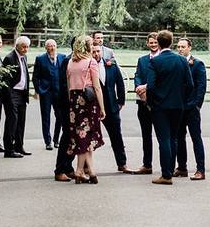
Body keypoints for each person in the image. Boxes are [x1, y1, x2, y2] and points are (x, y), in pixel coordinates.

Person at [141, 30, 193, 185]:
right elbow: (189, 84)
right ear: (171, 42)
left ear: (159, 42)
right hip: (178, 105)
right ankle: (169, 170)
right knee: (173, 138)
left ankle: (166, 174)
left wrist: (150, 103)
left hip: (160, 106)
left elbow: (150, 87)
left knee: (163, 139)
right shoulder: (182, 61)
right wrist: (182, 100)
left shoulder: (155, 62)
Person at [67, 35, 105, 184]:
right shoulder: (91, 62)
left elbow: (68, 86)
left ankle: (90, 171)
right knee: (85, 136)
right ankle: (79, 171)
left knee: (81, 137)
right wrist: (102, 107)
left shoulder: (70, 62)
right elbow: (97, 87)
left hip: (74, 101)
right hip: (88, 102)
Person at [93, 44, 133, 173]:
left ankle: (122, 164)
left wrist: (120, 102)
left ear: (102, 52)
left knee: (116, 136)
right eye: (93, 52)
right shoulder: (87, 66)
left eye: (98, 51)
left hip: (111, 106)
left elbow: (120, 83)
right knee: (87, 136)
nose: (96, 54)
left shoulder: (112, 65)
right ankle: (85, 166)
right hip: (93, 106)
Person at [175, 38, 207, 180]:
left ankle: (200, 170)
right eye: (178, 47)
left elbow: (201, 86)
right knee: (179, 138)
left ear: (190, 48)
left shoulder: (198, 64)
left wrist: (197, 105)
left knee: (196, 138)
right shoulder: (176, 63)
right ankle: (182, 167)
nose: (180, 49)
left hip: (192, 107)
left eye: (183, 47)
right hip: (178, 107)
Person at [132, 33, 159, 175]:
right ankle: (147, 164)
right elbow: (137, 75)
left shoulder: (163, 60)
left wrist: (146, 87)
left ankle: (167, 165)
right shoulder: (142, 60)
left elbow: (162, 80)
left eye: (155, 42)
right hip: (142, 102)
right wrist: (139, 87)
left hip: (158, 103)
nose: (153, 45)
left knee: (162, 136)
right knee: (146, 136)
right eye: (151, 43)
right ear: (147, 44)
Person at [1, 36, 32, 158]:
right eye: (23, 47)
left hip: (22, 94)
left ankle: (19, 146)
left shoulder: (24, 57)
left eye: (27, 47)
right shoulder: (9, 58)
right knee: (12, 121)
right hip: (12, 93)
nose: (25, 49)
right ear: (17, 46)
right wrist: (8, 96)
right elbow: (5, 79)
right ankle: (9, 150)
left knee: (21, 122)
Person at [32, 39, 65, 150]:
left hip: (59, 93)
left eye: (54, 46)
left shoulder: (62, 57)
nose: (52, 48)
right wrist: (38, 90)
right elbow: (35, 77)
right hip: (46, 93)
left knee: (60, 116)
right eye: (49, 46)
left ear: (56, 46)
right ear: (46, 47)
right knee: (45, 117)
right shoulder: (40, 59)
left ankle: (56, 140)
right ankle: (48, 141)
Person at [53, 39, 76, 182]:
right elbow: (63, 84)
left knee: (74, 137)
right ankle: (59, 169)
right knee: (67, 135)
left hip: (76, 105)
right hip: (66, 104)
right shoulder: (67, 61)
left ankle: (68, 167)